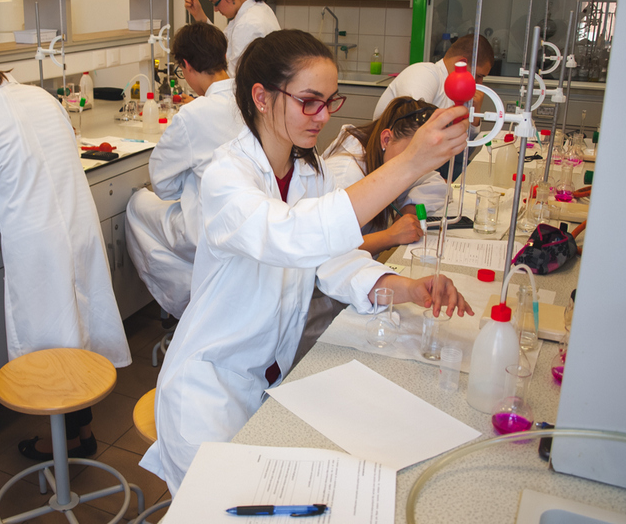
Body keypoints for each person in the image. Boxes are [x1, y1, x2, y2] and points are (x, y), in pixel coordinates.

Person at [139, 29, 474, 494]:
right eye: (309, 101)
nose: (323, 116)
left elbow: (333, 259)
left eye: (329, 102)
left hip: (266, 380)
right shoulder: (226, 177)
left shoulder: (308, 171)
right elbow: (291, 235)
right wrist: (410, 163)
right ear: (261, 97)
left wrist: (406, 288)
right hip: (207, 392)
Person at [0, 40, 131, 461]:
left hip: (37, 244)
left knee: (52, 346)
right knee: (76, 332)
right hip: (77, 225)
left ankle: (65, 443)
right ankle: (82, 432)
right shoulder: (37, 95)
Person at [125, 22, 243, 319]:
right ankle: (203, 295)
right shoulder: (250, 99)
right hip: (244, 223)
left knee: (137, 204)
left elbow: (163, 186)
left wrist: (188, 184)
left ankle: (188, 302)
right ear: (223, 56)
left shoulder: (193, 114)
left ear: (186, 66)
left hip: (207, 230)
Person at [323, 97, 447, 257]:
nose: (417, 163)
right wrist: (390, 236)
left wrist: (408, 213)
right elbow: (329, 253)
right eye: (412, 153)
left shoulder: (385, 156)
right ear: (386, 139)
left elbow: (432, 180)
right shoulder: (346, 175)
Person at [373, 34, 494, 181]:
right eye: (479, 76)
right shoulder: (425, 73)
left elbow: (461, 154)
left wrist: (474, 117)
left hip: (424, 161)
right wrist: (439, 184)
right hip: (390, 162)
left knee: (479, 175)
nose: (479, 84)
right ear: (461, 63)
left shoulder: (456, 91)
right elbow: (413, 138)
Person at [184, 0, 280, 77]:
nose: (215, 9)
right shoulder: (257, 9)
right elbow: (221, 43)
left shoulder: (247, 24)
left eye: (215, 3)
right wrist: (198, 14)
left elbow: (234, 78)